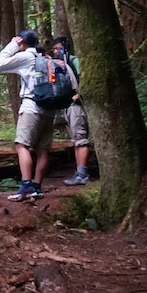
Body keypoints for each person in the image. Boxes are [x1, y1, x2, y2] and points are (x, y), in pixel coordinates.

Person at [0, 28, 76, 201]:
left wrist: (11, 46)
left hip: (31, 107)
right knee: (42, 149)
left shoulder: (26, 56)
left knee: (22, 145)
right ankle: (37, 187)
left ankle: (26, 186)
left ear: (22, 42)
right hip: (49, 109)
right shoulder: (44, 58)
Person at [50, 36, 92, 186]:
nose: (56, 51)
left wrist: (78, 94)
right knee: (76, 141)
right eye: (54, 49)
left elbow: (85, 78)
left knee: (80, 139)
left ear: (66, 47)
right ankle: (79, 172)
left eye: (58, 48)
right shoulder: (59, 64)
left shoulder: (74, 61)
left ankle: (83, 173)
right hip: (67, 106)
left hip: (76, 106)